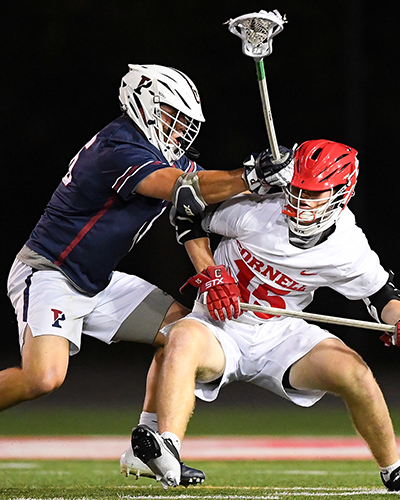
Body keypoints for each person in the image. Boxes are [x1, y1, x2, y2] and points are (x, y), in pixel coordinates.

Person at [4, 63, 295, 487]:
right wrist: (247, 176)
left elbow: (194, 207)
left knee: (184, 332)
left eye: (183, 123)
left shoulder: (164, 154)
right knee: (43, 378)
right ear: (142, 103)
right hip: (50, 270)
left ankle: (149, 447)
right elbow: (182, 188)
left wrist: (262, 188)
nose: (178, 130)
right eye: (171, 117)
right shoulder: (118, 146)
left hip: (97, 279)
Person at [130, 139, 400, 492]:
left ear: (342, 193)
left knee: (356, 373)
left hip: (280, 333)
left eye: (314, 195)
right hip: (220, 327)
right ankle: (168, 448)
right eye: (298, 191)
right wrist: (210, 271)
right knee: (181, 336)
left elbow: (382, 295)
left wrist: (396, 320)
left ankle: (393, 469)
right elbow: (186, 212)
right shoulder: (258, 209)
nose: (301, 204)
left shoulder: (347, 246)